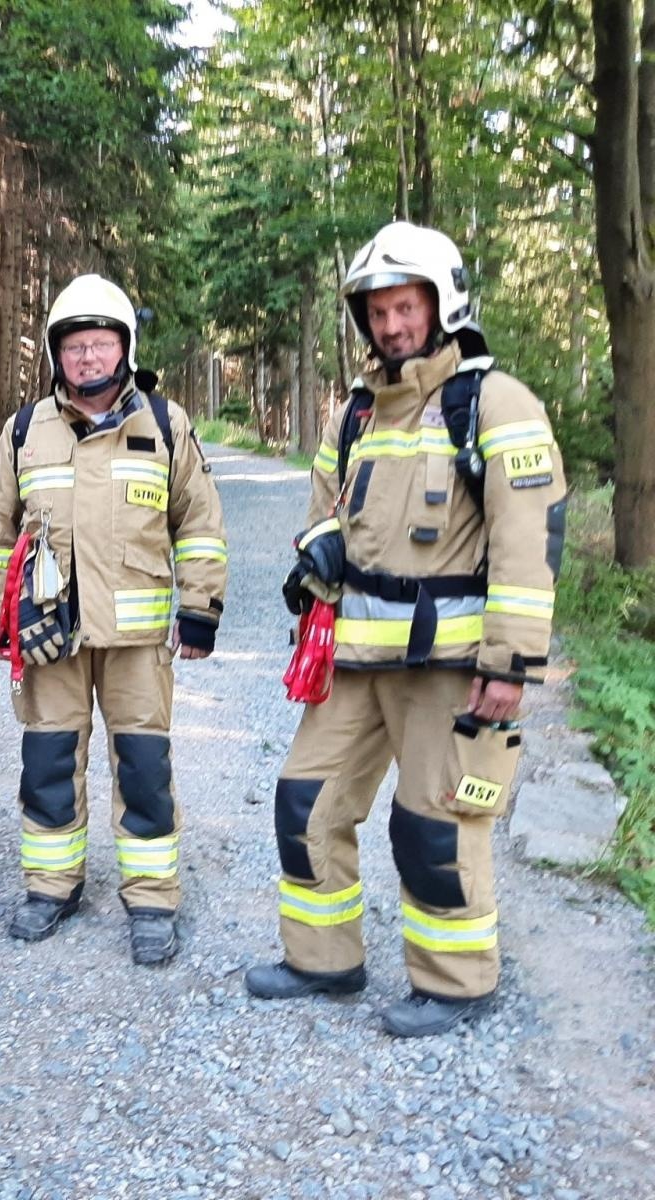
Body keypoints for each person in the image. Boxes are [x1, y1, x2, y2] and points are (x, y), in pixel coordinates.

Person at [245, 221, 568, 1037]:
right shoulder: (356, 413)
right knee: (305, 803)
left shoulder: (493, 402)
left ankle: (457, 983)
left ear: (442, 302)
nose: (391, 326)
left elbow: (529, 544)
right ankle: (323, 962)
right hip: (353, 659)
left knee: (434, 823)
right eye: (378, 311)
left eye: (406, 307)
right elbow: (324, 518)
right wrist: (314, 590)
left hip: (447, 666)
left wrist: (510, 665)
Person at [0, 275, 228, 965]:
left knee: (143, 768)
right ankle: (52, 886)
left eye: (101, 344)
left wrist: (199, 609)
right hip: (48, 635)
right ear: (58, 355)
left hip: (138, 643)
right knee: (49, 762)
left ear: (125, 350)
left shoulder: (165, 425)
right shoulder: (24, 431)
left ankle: (151, 899)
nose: (88, 358)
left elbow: (198, 522)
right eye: (75, 346)